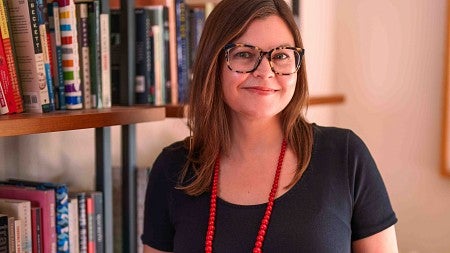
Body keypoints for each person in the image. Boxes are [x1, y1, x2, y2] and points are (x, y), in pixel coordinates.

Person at [142, 0, 398, 252]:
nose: (265, 71)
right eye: (244, 54)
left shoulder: (345, 156)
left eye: (282, 55)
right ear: (213, 63)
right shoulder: (172, 169)